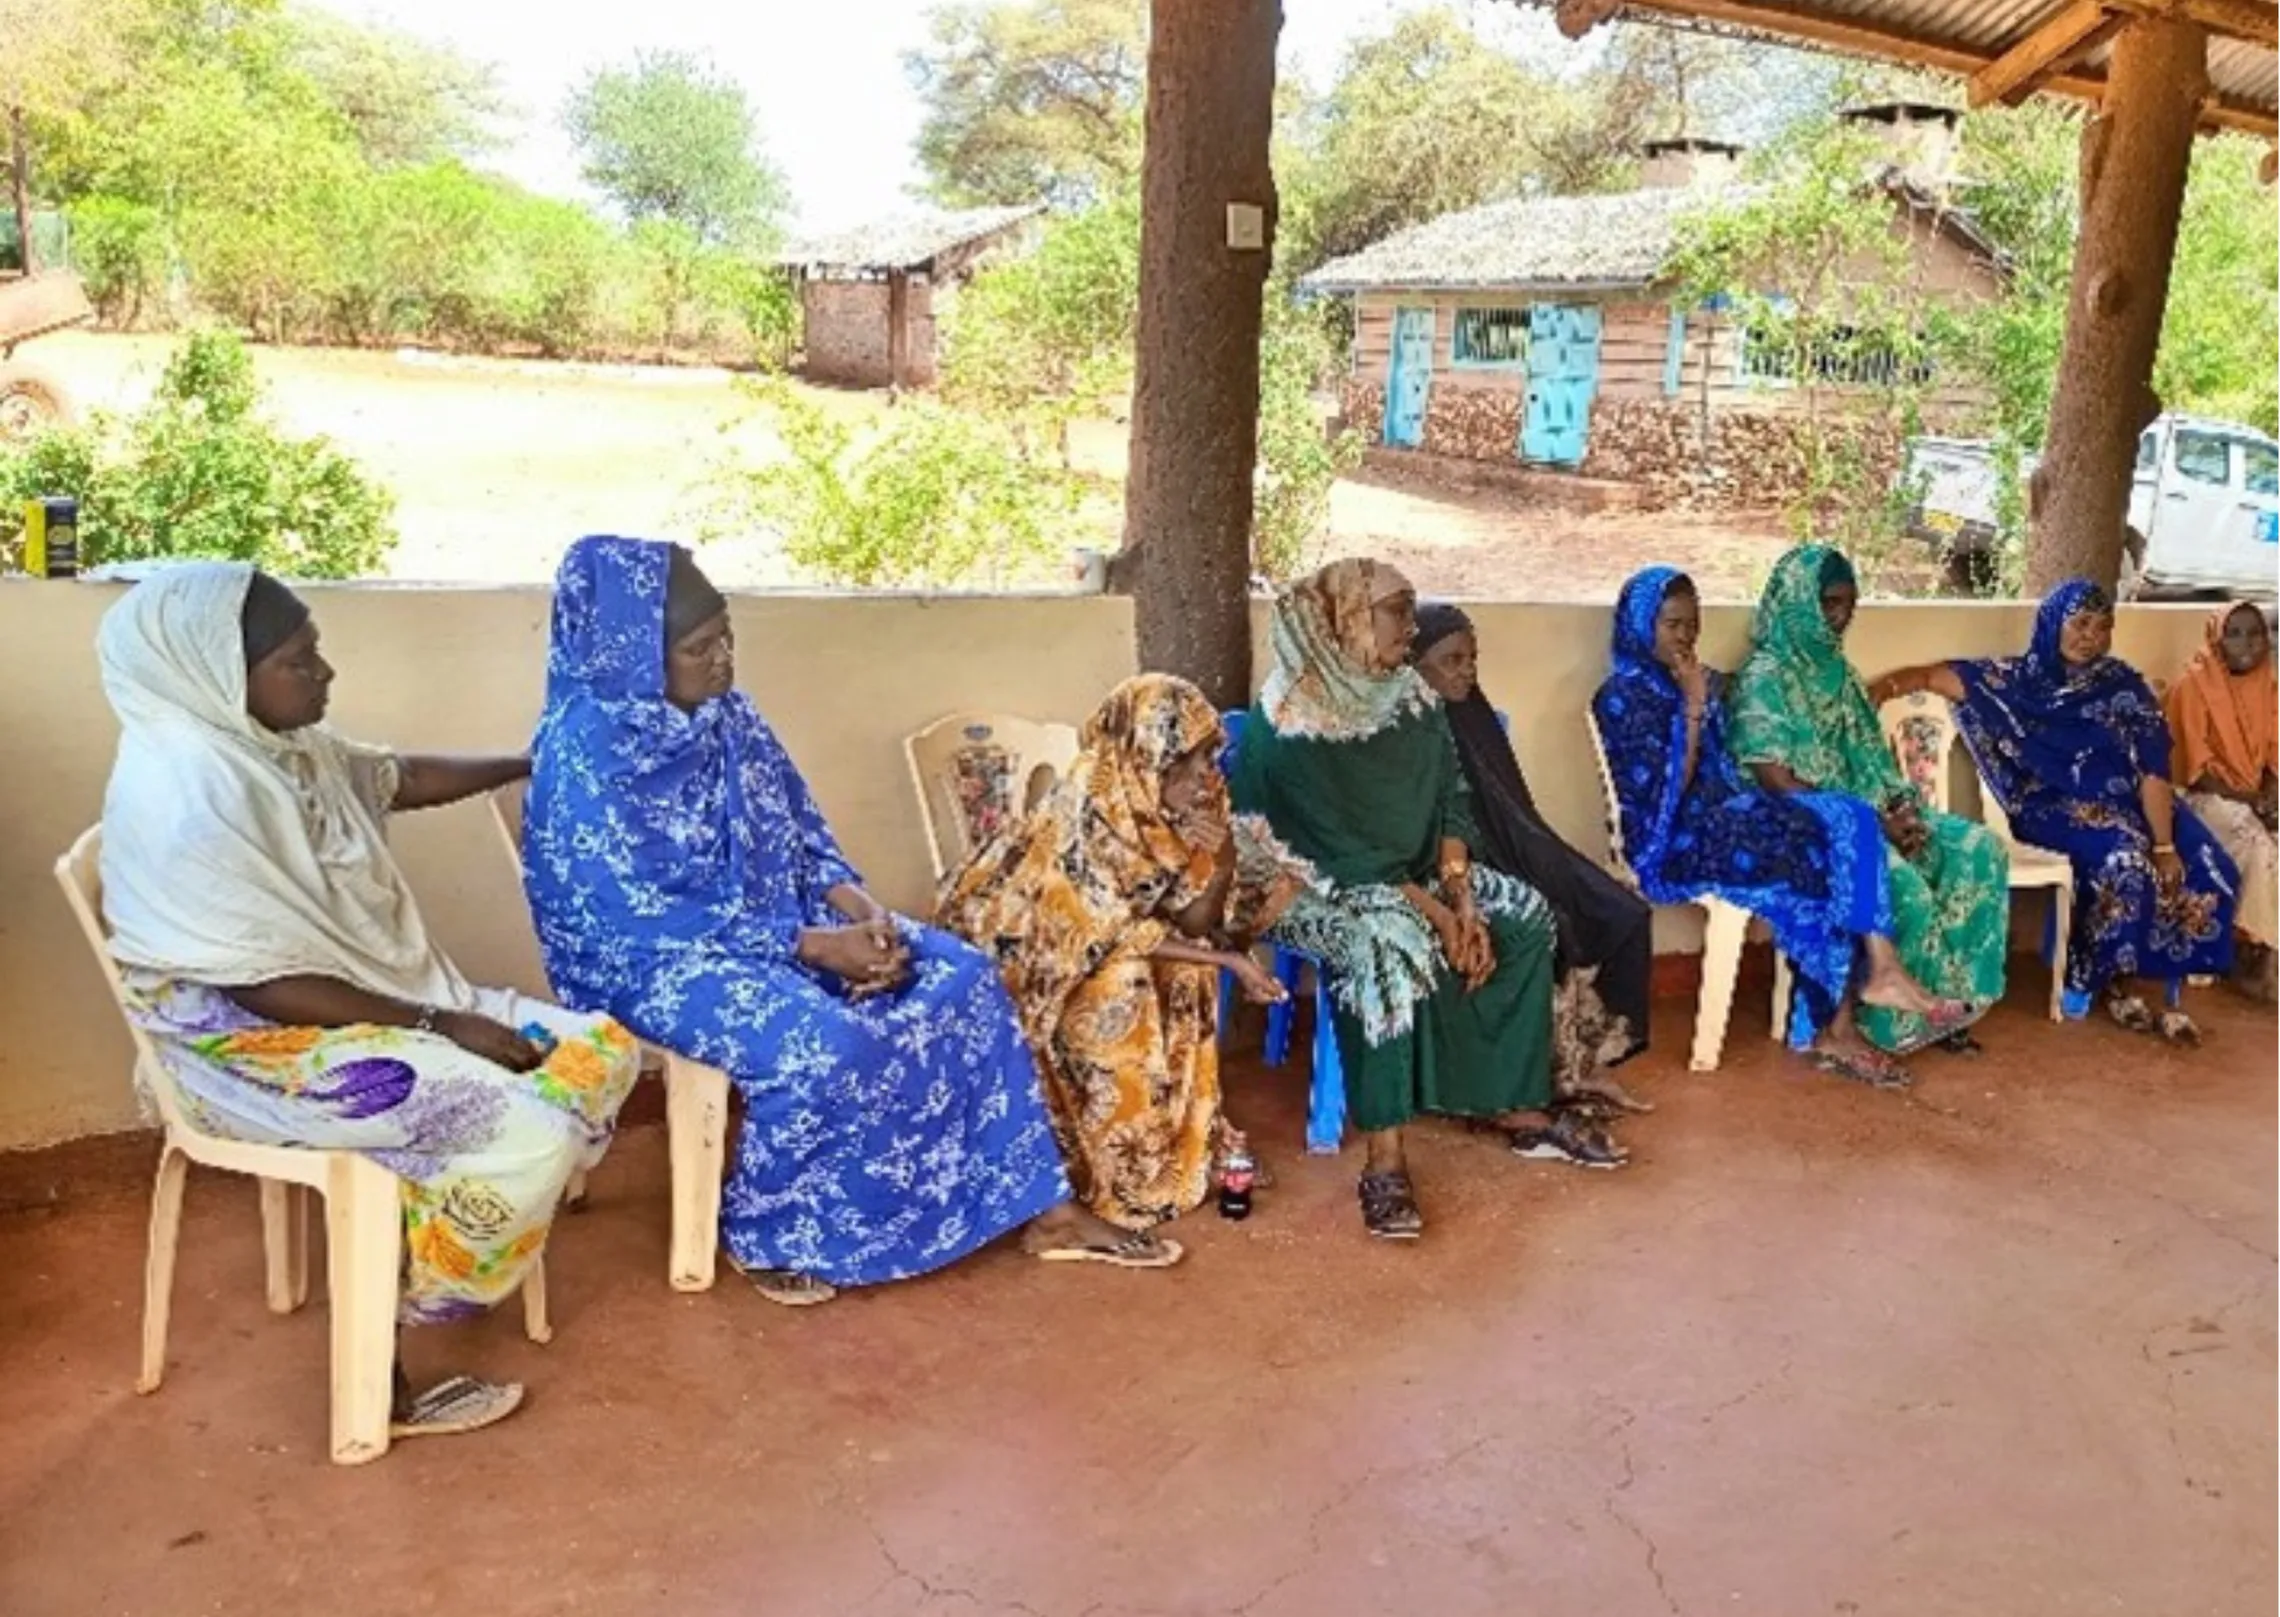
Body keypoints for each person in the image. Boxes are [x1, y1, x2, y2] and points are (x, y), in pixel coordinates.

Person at [522, 536, 1177, 1304]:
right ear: (633, 658)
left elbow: (803, 834)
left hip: (784, 922)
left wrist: (867, 917)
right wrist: (814, 946)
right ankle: (771, 1234)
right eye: (699, 648)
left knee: (964, 978)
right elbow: (637, 917)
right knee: (822, 1044)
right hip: (651, 961)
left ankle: (1048, 1212)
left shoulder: (727, 716)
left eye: (727, 633)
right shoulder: (584, 757)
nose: (725, 658)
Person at [96, 562, 640, 1441]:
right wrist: (443, 1024)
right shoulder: (189, 792)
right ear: (213, 673)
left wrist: (532, 762)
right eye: (298, 660)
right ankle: (391, 1327)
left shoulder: (272, 745)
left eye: (316, 650)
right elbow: (255, 983)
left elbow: (394, 776)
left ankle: (447, 1222)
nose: (324, 673)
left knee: (604, 1049)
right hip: (243, 1047)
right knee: (526, 1128)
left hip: (350, 1004)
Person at [1230, 558, 1622, 1244]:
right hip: (1303, 880)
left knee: (1523, 915)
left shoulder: (1408, 695)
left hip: (1413, 871)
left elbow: (1452, 797)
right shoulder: (1290, 715)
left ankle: (1510, 1104)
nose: (1410, 630)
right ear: (1343, 617)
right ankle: (1385, 1157)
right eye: (1397, 613)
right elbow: (1334, 851)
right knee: (1383, 945)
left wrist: (1462, 893)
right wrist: (1439, 915)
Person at [937, 674, 1298, 1230]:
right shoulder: (1090, 807)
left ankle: (1169, 1145)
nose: (1207, 774)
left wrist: (1221, 860)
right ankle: (1113, 1169)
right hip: (1025, 951)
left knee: (1186, 969)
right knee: (1121, 981)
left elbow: (1193, 920)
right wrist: (1232, 962)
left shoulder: (1194, 801)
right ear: (1149, 754)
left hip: (1109, 939)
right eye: (1191, 758)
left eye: (1210, 756)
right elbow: (1094, 931)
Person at [1594, 567, 1968, 1089]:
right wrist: (1695, 707)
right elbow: (1663, 798)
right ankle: (1843, 1018)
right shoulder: (1620, 697)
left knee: (1844, 820)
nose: (1684, 637)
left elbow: (1727, 772)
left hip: (1727, 819)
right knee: (1822, 845)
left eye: (1692, 625)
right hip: (1677, 840)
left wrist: (1704, 699)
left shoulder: (1691, 678)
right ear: (1639, 623)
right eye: (1671, 624)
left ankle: (1870, 982)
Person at [1875, 579, 2239, 1044]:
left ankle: (2161, 986)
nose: (2091, 636)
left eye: (2103, 627)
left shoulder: (2123, 686)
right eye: (2080, 623)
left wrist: (2165, 842)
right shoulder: (2012, 682)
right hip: (2051, 807)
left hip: (2130, 801)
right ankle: (2092, 979)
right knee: (2124, 861)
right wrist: (1880, 689)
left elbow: (2153, 769)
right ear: (2052, 622)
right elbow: (1930, 678)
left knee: (2208, 865)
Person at [1729, 546, 2007, 1060]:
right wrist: (1873, 824)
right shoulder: (1765, 677)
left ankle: (1954, 1006)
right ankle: (1887, 1026)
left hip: (1870, 810)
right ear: (1798, 602)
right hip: (1808, 821)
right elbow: (1774, 778)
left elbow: (1874, 761)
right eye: (1829, 604)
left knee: (1977, 849)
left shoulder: (1842, 674)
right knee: (1902, 885)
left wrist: (1901, 810)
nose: (1840, 619)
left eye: (1849, 605)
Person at [1411, 602, 1654, 1109]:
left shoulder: (1472, 715)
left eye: (1472, 658)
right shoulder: (1409, 727)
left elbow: (1515, 813)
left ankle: (1593, 1060)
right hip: (1444, 866)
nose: (1467, 671)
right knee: (1550, 920)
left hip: (1513, 849)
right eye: (1451, 660)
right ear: (1414, 666)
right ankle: (1550, 1073)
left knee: (1623, 910)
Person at [2163, 602, 2277, 1001]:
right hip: (2198, 801)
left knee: (2264, 831)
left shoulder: (2269, 686)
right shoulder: (2192, 687)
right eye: (2235, 633)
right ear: (2216, 638)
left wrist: (2271, 798)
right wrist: (2253, 801)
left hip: (2249, 799)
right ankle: (2257, 957)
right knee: (2253, 838)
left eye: (2255, 633)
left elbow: (2273, 761)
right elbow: (2198, 770)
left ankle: (2255, 947)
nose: (2246, 643)